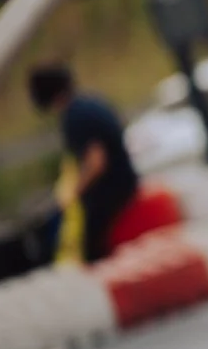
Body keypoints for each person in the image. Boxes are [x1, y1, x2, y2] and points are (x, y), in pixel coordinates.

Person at [28, 62, 138, 265]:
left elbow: (96, 162)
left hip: (114, 189)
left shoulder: (74, 116)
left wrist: (75, 191)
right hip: (126, 178)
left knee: (90, 246)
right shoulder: (89, 102)